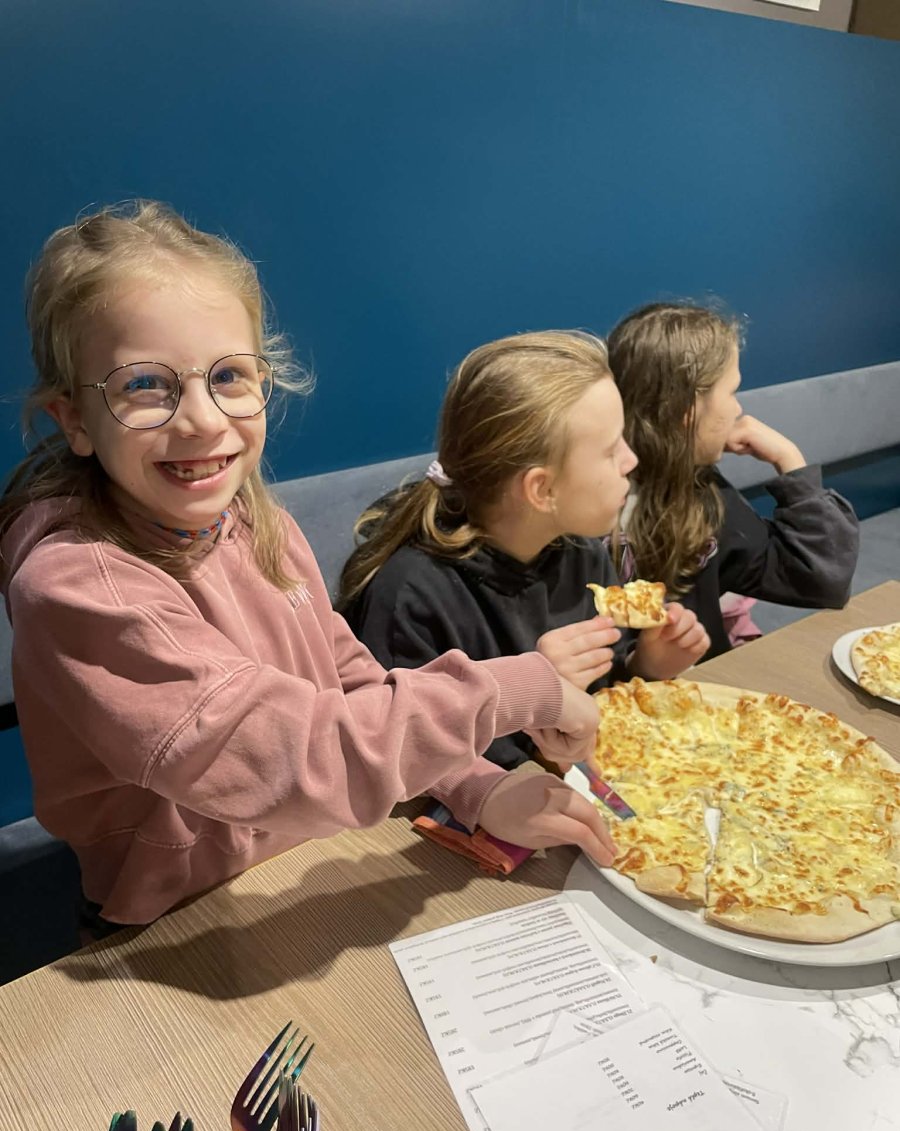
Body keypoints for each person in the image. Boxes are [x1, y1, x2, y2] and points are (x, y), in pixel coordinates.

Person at [0, 202, 615, 930]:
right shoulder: (80, 590)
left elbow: (348, 682)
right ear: (74, 419)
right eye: (144, 385)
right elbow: (294, 760)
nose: (201, 419)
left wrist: (478, 786)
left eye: (229, 376)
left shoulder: (258, 521)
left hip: (307, 862)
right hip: (178, 920)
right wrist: (517, 690)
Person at [338, 331, 710, 775]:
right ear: (541, 489)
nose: (631, 460)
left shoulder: (585, 556)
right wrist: (531, 695)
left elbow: (602, 704)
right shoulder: (412, 597)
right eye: (612, 449)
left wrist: (646, 666)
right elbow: (408, 766)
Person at [606, 302, 859, 659]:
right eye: (731, 392)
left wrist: (790, 462)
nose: (737, 409)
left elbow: (822, 580)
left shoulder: (700, 491)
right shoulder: (592, 509)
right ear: (687, 409)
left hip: (704, 683)